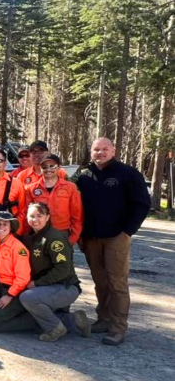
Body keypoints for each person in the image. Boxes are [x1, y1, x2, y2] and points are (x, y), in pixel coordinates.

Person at [76, 137, 151, 346]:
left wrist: (127, 231)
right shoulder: (85, 176)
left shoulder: (127, 173)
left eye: (105, 149)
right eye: (96, 149)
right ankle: (104, 318)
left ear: (113, 150)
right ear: (91, 152)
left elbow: (143, 204)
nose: (100, 153)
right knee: (100, 281)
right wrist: (81, 234)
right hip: (91, 237)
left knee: (117, 282)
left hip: (116, 237)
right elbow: (78, 207)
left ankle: (118, 327)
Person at [19, 202, 91, 342]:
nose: (35, 219)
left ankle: (55, 328)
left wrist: (38, 283)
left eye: (39, 215)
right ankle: (75, 320)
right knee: (32, 313)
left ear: (47, 217)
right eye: (31, 216)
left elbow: (63, 269)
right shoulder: (31, 237)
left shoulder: (54, 238)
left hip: (65, 286)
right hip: (48, 287)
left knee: (28, 298)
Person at [21, 154, 83, 244]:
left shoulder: (70, 187)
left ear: (59, 168)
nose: (48, 169)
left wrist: (73, 238)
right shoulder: (31, 189)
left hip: (62, 233)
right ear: (40, 168)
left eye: (52, 166)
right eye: (44, 167)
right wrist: (27, 236)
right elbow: (26, 214)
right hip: (38, 233)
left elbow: (77, 215)